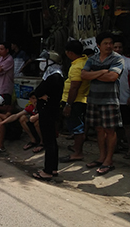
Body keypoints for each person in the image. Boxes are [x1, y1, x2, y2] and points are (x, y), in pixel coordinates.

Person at [81, 32, 125, 175]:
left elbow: (112, 77)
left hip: (110, 100)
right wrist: (102, 72)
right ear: (98, 46)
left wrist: (95, 73)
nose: (109, 46)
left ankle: (109, 160)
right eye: (105, 43)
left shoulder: (117, 59)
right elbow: (83, 75)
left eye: (110, 43)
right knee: (99, 129)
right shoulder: (92, 58)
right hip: (94, 99)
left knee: (110, 130)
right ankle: (101, 157)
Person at [32, 50, 64, 181]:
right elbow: (38, 92)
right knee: (51, 141)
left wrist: (41, 95)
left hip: (48, 111)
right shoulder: (54, 75)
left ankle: (48, 171)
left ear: (50, 62)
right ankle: (53, 168)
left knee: (49, 141)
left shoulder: (54, 77)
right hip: (50, 110)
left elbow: (38, 91)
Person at [59, 40, 90, 163]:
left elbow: (74, 87)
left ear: (69, 52)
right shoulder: (84, 61)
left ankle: (78, 153)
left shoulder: (77, 66)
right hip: (81, 99)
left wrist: (68, 105)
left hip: (76, 101)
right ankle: (76, 148)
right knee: (78, 127)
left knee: (77, 128)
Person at [113, 36, 130, 159]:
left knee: (127, 126)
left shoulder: (128, 62)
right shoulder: (106, 61)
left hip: (125, 99)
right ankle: (115, 146)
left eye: (120, 47)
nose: (118, 49)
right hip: (112, 99)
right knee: (114, 126)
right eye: (115, 47)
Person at [0, 41, 15, 106]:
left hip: (5, 89)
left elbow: (0, 71)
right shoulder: (0, 59)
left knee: (4, 107)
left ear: (7, 50)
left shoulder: (9, 60)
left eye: (1, 49)